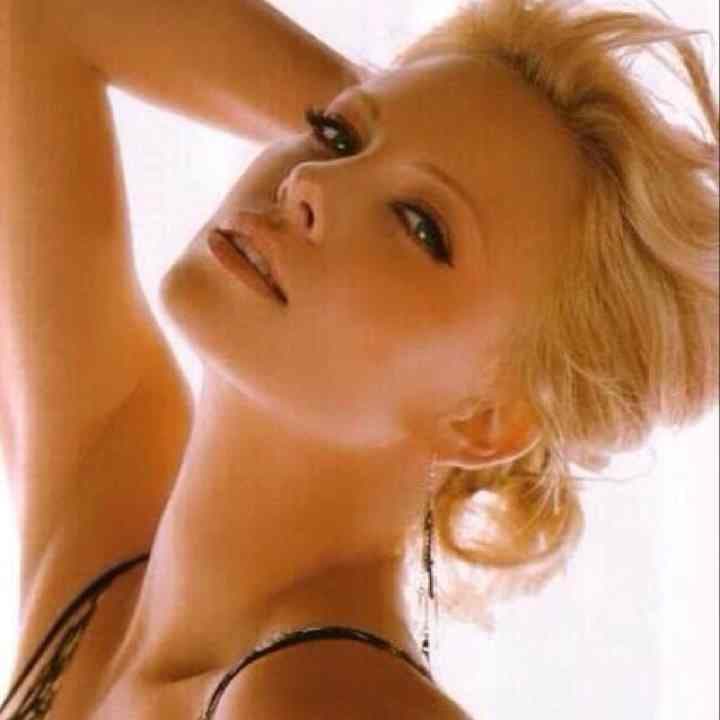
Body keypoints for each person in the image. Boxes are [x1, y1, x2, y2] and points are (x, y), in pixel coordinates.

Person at [1, 0, 717, 718]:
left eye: (421, 224)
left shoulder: (324, 699)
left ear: (485, 420)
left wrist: (387, 115)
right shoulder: (99, 561)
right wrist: (414, 106)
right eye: (336, 136)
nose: (308, 182)